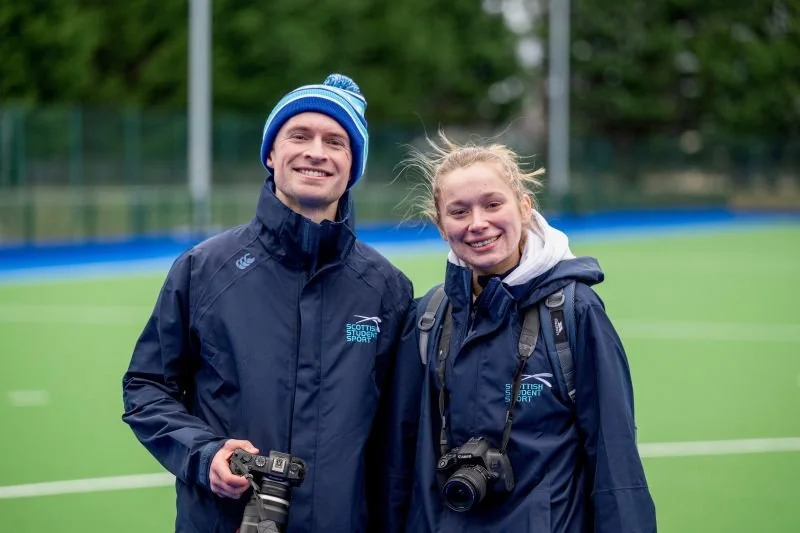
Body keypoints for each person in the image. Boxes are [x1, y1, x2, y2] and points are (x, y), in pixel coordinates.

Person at [122, 74, 421, 533]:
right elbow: (147, 388)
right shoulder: (204, 270)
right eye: (299, 135)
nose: (316, 152)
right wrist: (204, 456)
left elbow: (397, 441)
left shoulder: (386, 289)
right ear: (271, 154)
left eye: (336, 142)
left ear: (352, 165)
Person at [403, 132, 657, 532]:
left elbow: (616, 461)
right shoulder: (431, 318)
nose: (478, 223)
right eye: (459, 211)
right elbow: (410, 465)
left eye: (492, 204)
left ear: (524, 207)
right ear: (440, 225)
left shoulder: (574, 312)